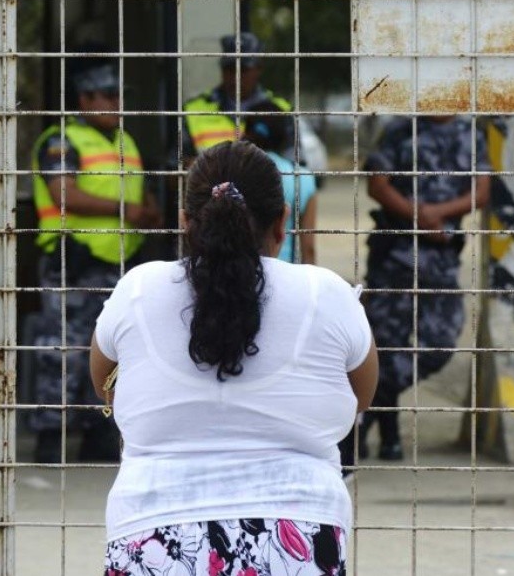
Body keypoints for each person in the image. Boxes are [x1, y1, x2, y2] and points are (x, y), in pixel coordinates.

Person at [89, 140, 377, 575]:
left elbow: (105, 383)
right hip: (297, 537)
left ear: (186, 223)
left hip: (151, 533)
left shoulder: (138, 290)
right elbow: (361, 395)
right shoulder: (327, 294)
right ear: (282, 223)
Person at [29, 55, 161, 464]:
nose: (117, 102)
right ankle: (50, 436)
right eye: (108, 94)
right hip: (74, 261)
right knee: (63, 350)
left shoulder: (126, 141)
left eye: (120, 94)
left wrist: (150, 211)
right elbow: (62, 193)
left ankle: (98, 433)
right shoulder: (61, 140)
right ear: (85, 99)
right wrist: (126, 210)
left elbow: (140, 193)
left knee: (113, 351)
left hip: (119, 266)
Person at [352, 114, 491, 462]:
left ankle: (359, 415)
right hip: (394, 257)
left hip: (440, 259)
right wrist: (418, 216)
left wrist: (436, 214)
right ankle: (388, 438)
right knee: (384, 344)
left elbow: (482, 190)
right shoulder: (400, 128)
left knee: (437, 345)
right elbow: (377, 184)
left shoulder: (468, 132)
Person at [181, 32, 292, 158]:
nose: (235, 77)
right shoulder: (193, 111)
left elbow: (295, 167)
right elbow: (175, 168)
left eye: (243, 70)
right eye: (230, 69)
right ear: (221, 70)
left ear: (259, 69)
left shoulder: (281, 110)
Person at [242, 102, 318, 264]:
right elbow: (308, 248)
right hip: (286, 275)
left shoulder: (234, 172)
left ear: (246, 132)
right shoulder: (303, 177)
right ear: (285, 135)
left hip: (241, 273)